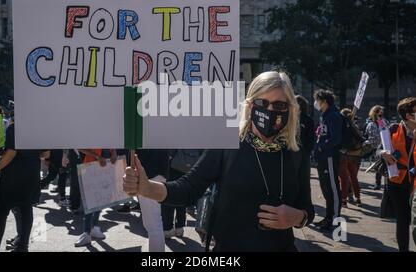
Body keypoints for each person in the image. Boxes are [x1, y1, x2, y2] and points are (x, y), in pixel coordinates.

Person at [124, 71, 314, 252]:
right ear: (249, 105)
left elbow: (307, 209)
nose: (270, 110)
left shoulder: (296, 153)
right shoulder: (227, 144)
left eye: (279, 105)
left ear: (290, 109)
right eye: (262, 103)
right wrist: (147, 188)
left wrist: (298, 217)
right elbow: (188, 188)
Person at [0, 121, 46, 252]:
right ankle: (23, 246)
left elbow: (11, 153)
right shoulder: (40, 129)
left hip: (13, 176)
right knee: (26, 209)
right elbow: (45, 154)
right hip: (31, 174)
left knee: (1, 212)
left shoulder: (14, 128)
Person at [378, 97, 416, 252]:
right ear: (408, 115)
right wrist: (383, 153)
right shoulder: (393, 129)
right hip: (397, 182)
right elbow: (379, 150)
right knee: (402, 219)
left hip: (415, 183)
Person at [75, 149, 117, 247]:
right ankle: (86, 232)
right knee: (90, 200)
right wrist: (97, 156)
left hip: (105, 164)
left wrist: (114, 153)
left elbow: (111, 144)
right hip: (90, 165)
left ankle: (95, 227)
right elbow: (80, 147)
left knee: (100, 198)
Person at [313, 89, 342, 231]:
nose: (316, 103)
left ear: (324, 101)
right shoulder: (324, 115)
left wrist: (321, 147)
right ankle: (328, 217)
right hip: (323, 157)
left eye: (318, 100)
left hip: (329, 156)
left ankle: (335, 219)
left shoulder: (333, 115)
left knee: (333, 188)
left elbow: (336, 138)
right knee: (326, 189)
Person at [163, 150, 201, 239]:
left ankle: (168, 228)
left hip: (174, 167)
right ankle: (180, 227)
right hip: (189, 168)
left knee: (170, 197)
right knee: (183, 198)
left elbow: (171, 151)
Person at [338, 108, 362, 208]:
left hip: (343, 154)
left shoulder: (340, 125)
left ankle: (344, 201)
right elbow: (360, 138)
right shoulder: (354, 125)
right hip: (354, 155)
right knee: (353, 178)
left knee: (344, 179)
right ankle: (358, 199)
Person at [364, 105, 388, 190]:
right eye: (379, 114)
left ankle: (385, 183)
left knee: (385, 165)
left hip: (385, 147)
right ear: (375, 114)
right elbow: (369, 137)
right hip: (376, 148)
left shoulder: (385, 122)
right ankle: (378, 183)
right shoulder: (370, 124)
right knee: (378, 166)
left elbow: (388, 132)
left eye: (382, 114)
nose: (381, 116)